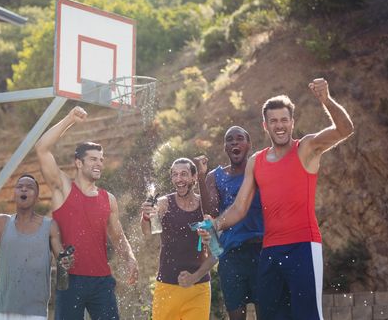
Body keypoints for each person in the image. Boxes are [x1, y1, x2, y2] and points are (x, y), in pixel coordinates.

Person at [209, 78, 354, 319]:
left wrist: (326, 100)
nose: (279, 125)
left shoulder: (306, 149)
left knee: (306, 315)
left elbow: (345, 130)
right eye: (273, 121)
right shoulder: (256, 161)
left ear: (292, 123)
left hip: (303, 247)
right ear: (265, 126)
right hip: (270, 251)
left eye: (284, 120)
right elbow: (239, 207)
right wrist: (215, 225)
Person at [34, 106, 138, 320]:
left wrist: (129, 258)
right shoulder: (63, 189)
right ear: (79, 163)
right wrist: (69, 119)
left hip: (102, 280)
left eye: (101, 159)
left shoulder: (108, 199)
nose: (99, 163)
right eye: (93, 159)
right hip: (70, 279)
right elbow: (42, 148)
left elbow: (117, 235)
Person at [0, 174, 73, 320]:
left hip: (35, 312)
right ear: (15, 194)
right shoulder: (1, 222)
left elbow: (62, 260)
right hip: (3, 310)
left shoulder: (49, 226)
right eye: (19, 187)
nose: (24, 189)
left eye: (29, 187)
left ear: (37, 196)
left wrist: (66, 261)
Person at [194, 126, 264, 320]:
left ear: (248, 144)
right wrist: (200, 176)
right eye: (229, 139)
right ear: (225, 147)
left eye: (240, 138)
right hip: (231, 256)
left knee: (267, 313)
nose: (234, 142)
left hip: (262, 252)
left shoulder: (261, 170)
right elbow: (211, 213)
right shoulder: (214, 177)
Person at [141, 158, 216, 320]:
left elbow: (216, 252)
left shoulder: (205, 207)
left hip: (199, 289)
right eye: (174, 175)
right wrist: (146, 216)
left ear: (194, 177)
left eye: (184, 174)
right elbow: (148, 232)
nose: (178, 179)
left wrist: (194, 277)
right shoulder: (163, 204)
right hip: (166, 286)